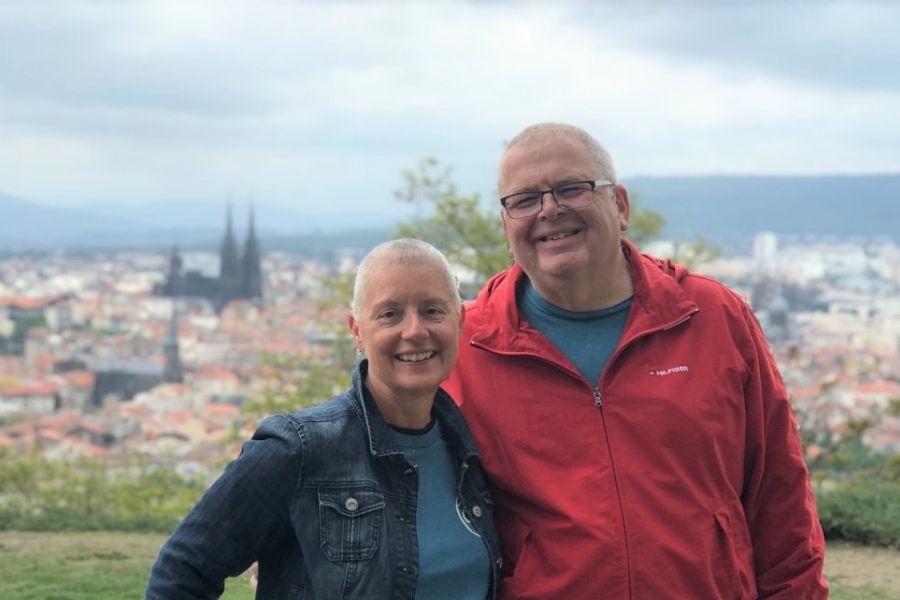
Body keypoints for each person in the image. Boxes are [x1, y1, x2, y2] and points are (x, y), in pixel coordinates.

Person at [442, 123, 828, 599]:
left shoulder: (712, 317)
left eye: (571, 188)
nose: (549, 210)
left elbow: (780, 500)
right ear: (506, 226)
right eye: (524, 200)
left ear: (620, 205)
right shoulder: (466, 347)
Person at [145, 238, 502, 599]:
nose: (414, 331)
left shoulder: (470, 447)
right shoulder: (298, 448)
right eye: (390, 314)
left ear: (459, 322)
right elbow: (182, 572)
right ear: (357, 331)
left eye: (432, 311)